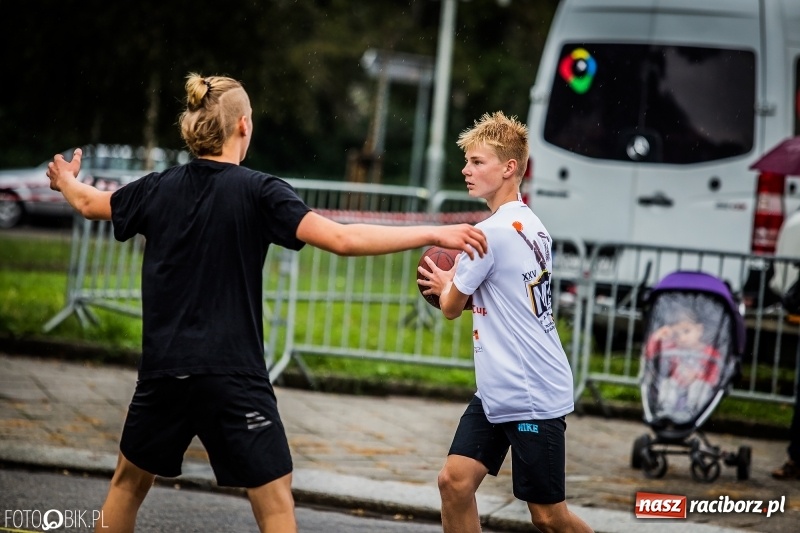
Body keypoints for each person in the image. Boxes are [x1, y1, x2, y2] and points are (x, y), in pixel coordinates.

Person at [46, 73, 488, 533]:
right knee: (275, 503)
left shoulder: (157, 188)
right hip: (232, 374)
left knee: (127, 485)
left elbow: (90, 203)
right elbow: (341, 238)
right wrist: (434, 232)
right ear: (243, 126)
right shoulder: (259, 191)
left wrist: (65, 179)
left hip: (164, 373)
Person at [417, 112, 592, 533]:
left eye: (477, 162)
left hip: (530, 391)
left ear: (509, 167)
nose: (466, 169)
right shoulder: (532, 225)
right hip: (498, 390)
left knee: (549, 517)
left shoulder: (490, 234)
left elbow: (450, 307)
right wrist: (458, 283)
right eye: (468, 162)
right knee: (454, 483)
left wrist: (447, 283)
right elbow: (505, 293)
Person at [643, 308, 722, 421]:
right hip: (677, 386)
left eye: (686, 331)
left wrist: (698, 376)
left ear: (699, 330)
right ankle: (665, 409)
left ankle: (691, 411)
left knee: (700, 386)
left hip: (696, 390)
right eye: (676, 334)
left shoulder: (709, 352)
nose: (682, 338)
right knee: (667, 383)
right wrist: (658, 335)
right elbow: (650, 353)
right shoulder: (673, 348)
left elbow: (714, 375)